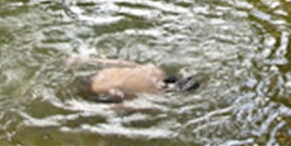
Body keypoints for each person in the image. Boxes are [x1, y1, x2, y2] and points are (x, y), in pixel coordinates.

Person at [67, 56, 198, 103]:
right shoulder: (154, 90)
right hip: (101, 83)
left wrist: (90, 60)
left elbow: (123, 63)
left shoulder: (155, 74)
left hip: (100, 80)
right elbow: (122, 63)